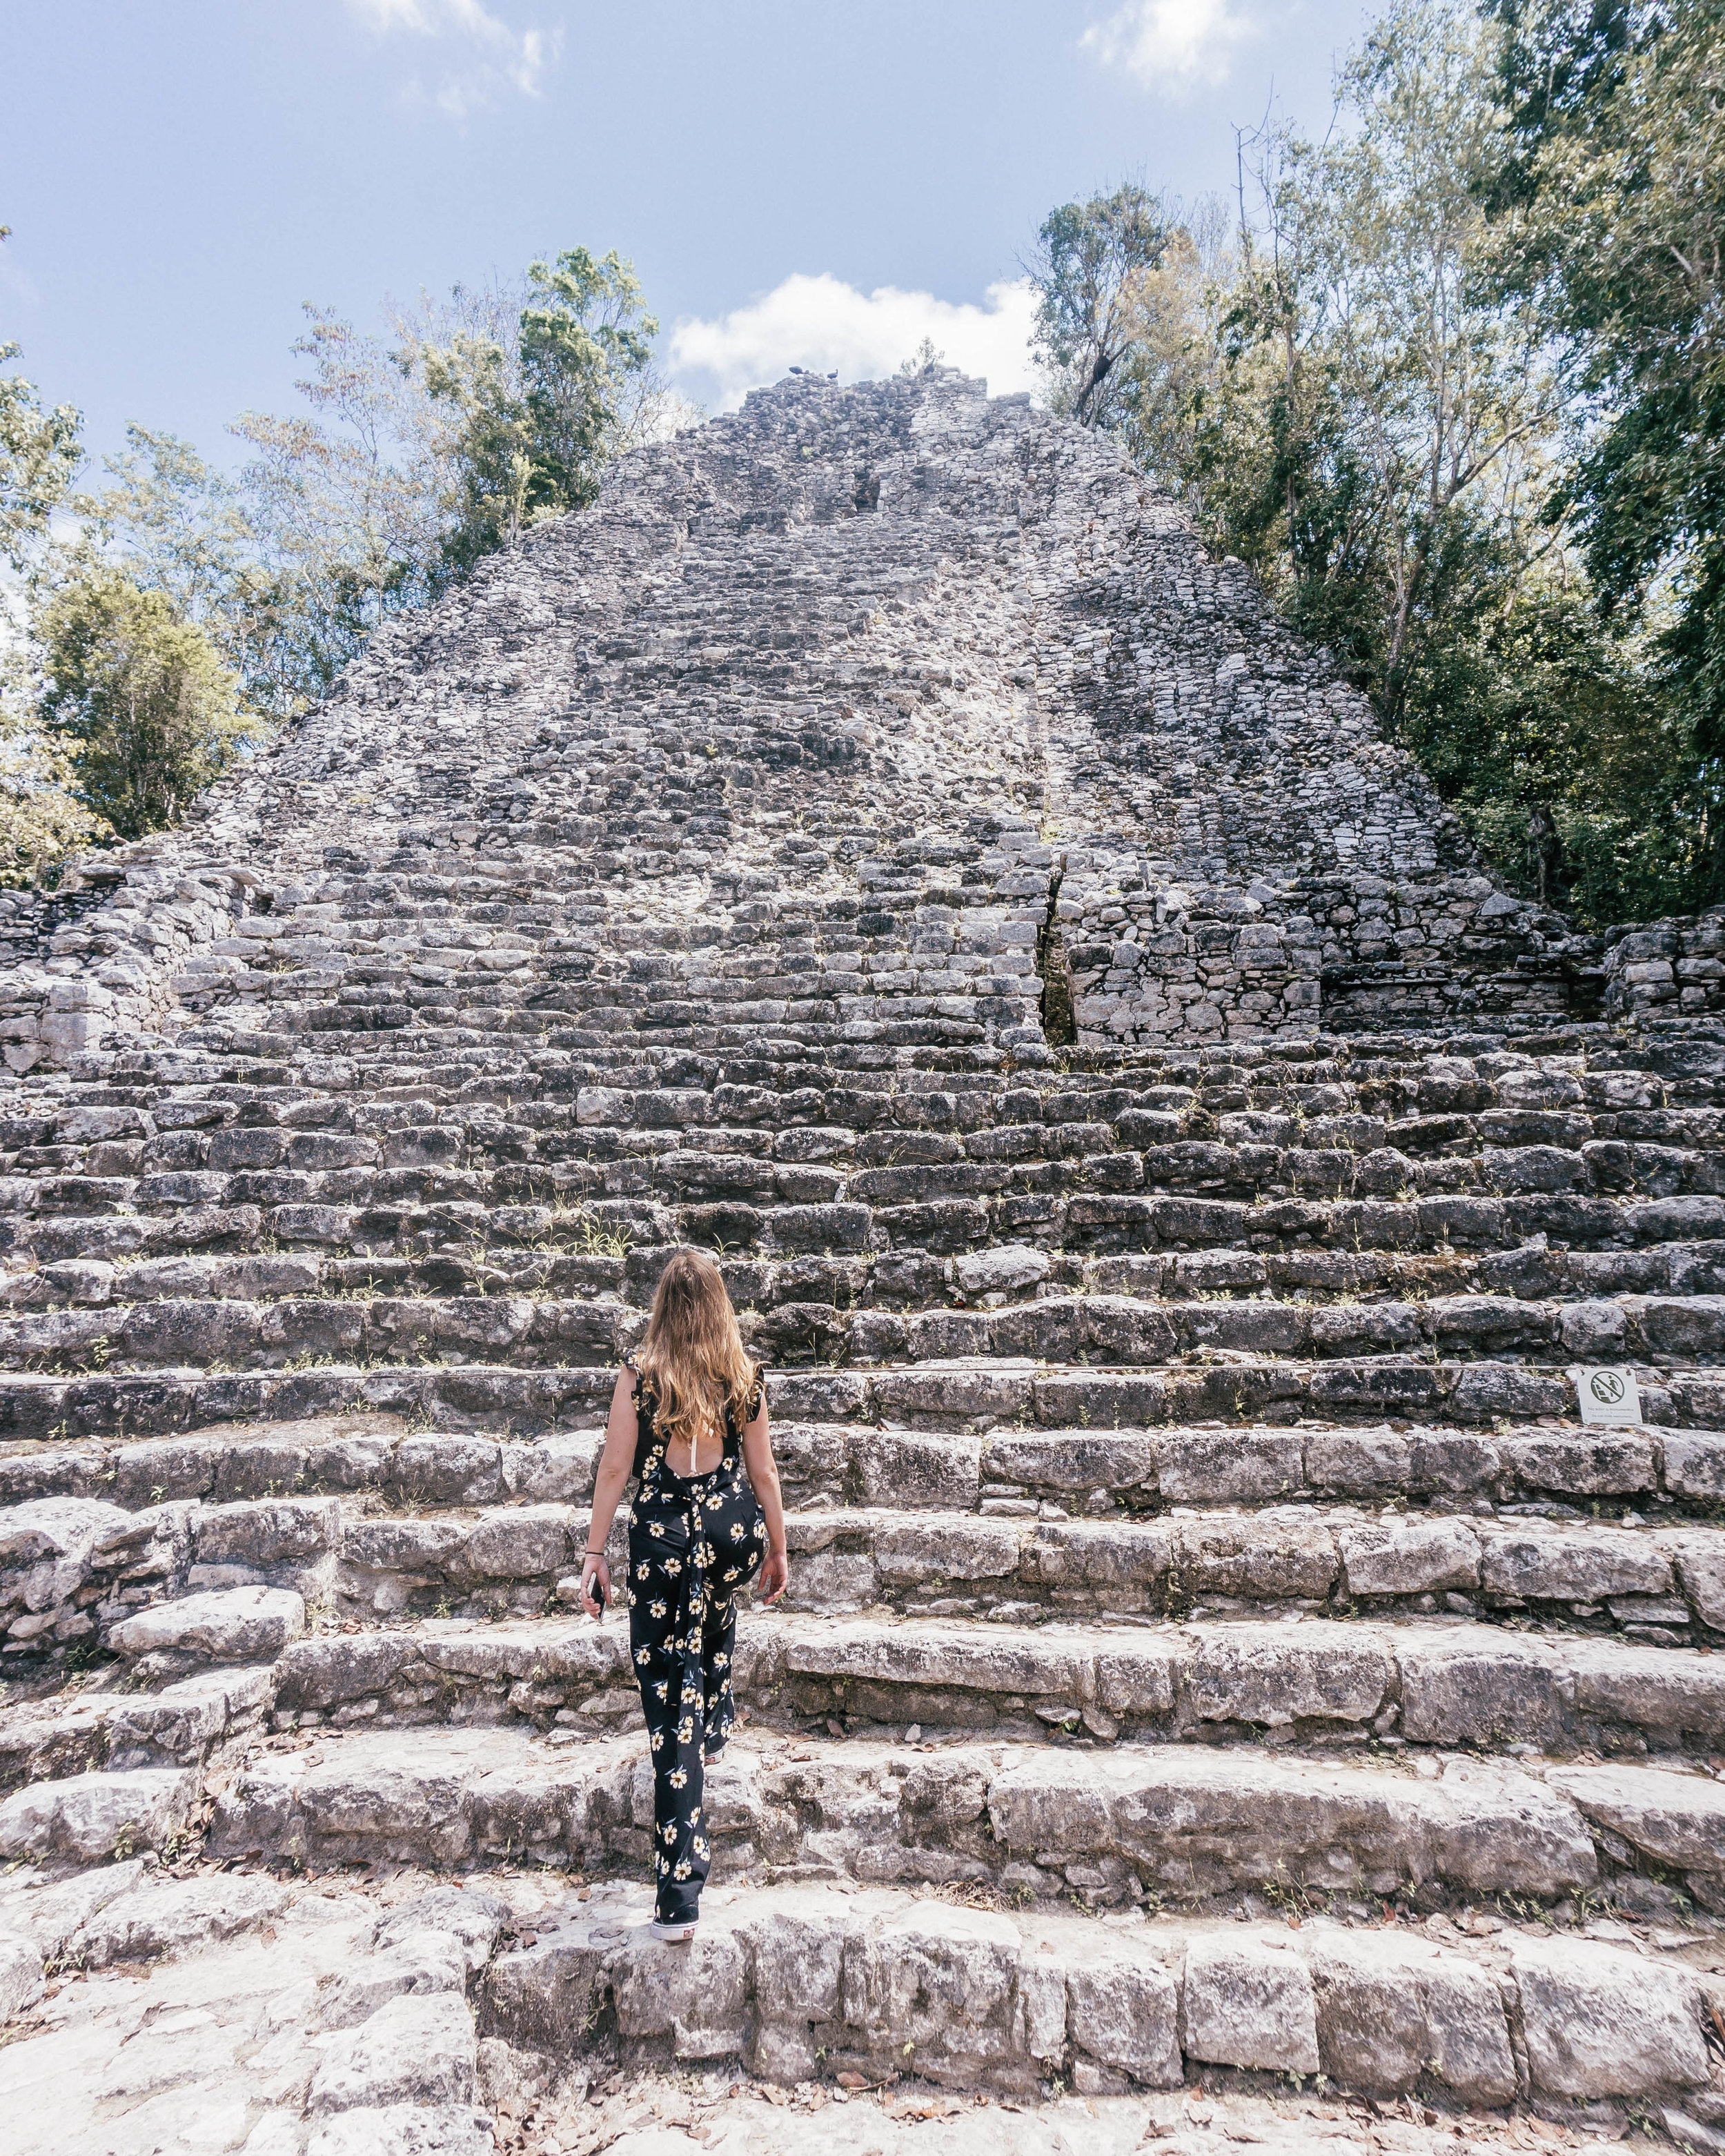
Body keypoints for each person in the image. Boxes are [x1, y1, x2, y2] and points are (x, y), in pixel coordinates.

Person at [579, 1247, 790, 1941]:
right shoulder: (743, 1374)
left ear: (662, 1309)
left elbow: (616, 1466)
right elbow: (763, 1473)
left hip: (665, 1538)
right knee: (710, 1596)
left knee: (673, 1707)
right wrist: (779, 1548)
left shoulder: (640, 1375)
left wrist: (594, 1552)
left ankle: (679, 1888)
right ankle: (717, 1707)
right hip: (732, 1534)